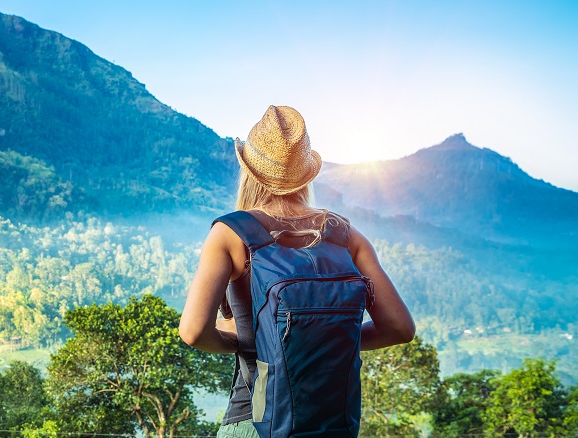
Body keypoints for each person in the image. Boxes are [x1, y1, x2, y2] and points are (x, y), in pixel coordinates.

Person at [178, 105, 415, 437]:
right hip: (332, 422)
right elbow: (400, 329)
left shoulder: (231, 234)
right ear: (306, 174)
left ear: (248, 170)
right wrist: (320, 338)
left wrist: (249, 340)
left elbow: (192, 332)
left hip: (256, 418)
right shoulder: (345, 235)